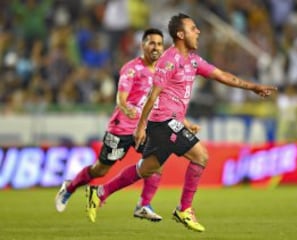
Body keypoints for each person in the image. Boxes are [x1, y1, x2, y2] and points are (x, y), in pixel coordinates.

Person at [86, 13, 277, 232]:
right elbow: (153, 95)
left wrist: (252, 87)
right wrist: (140, 127)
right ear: (180, 34)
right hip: (162, 123)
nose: (198, 32)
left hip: (171, 122)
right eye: (193, 28)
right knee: (201, 155)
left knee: (147, 169)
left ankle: (100, 193)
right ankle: (184, 208)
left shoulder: (193, 60)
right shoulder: (169, 60)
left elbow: (222, 76)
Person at [55, 28, 165, 222]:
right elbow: (120, 96)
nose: (156, 47)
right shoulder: (132, 68)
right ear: (143, 45)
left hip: (144, 129)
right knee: (101, 169)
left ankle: (143, 205)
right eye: (152, 43)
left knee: (156, 161)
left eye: (159, 44)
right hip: (121, 128)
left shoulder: (162, 72)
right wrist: (124, 107)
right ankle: (70, 187)